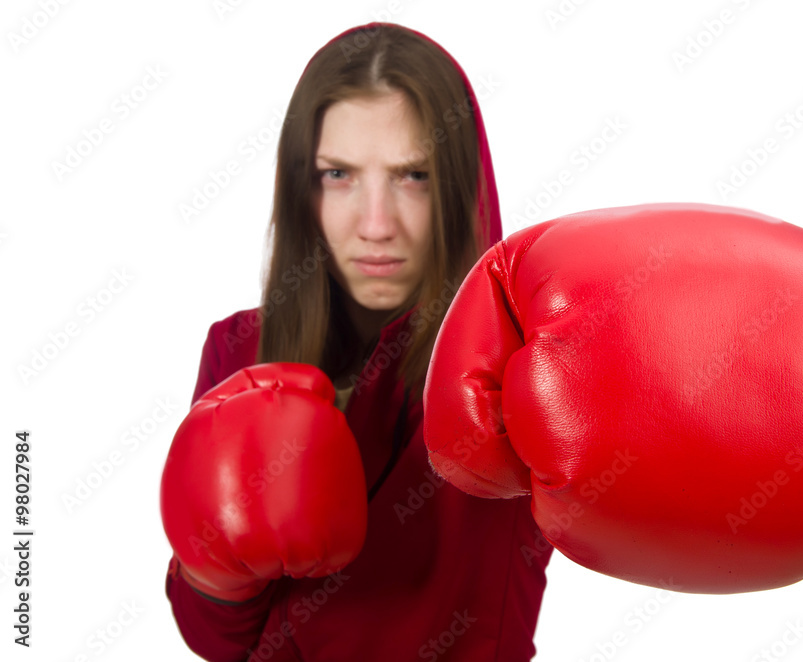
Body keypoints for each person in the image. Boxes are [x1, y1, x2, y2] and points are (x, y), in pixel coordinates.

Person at [162, 22, 552, 661]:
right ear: (302, 188)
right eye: (339, 174)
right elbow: (216, 643)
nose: (376, 225)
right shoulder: (238, 350)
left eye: (413, 176)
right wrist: (215, 574)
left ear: (459, 187)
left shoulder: (521, 363)